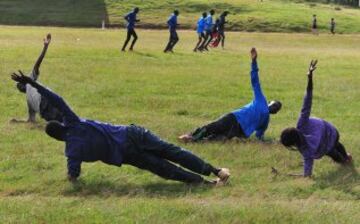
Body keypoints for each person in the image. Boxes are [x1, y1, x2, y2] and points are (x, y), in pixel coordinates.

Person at [11, 72, 230, 186]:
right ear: (60, 124)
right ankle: (216, 170)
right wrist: (33, 83)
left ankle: (207, 184)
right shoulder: (73, 121)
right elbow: (56, 98)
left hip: (126, 154)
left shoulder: (72, 152)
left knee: (165, 169)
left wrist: (71, 178)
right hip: (131, 133)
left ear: (57, 139)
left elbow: (73, 175)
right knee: (173, 151)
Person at [179, 48, 282, 142]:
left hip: (239, 130)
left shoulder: (265, 121)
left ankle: (197, 141)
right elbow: (255, 80)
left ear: (275, 112)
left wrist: (270, 142)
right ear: (269, 102)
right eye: (274, 104)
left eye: (276, 108)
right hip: (235, 117)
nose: (274, 107)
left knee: (218, 138)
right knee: (213, 127)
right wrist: (254, 62)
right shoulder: (261, 99)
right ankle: (191, 136)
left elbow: (259, 136)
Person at [280, 60, 352, 177]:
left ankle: (344, 160)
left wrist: (292, 175)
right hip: (332, 132)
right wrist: (310, 78)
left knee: (333, 152)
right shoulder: (301, 124)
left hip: (326, 146)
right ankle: (346, 158)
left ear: (293, 144)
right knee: (336, 145)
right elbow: (307, 101)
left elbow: (307, 171)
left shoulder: (305, 150)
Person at [12, 33, 63, 123]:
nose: (20, 87)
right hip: (45, 109)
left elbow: (37, 65)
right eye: (19, 87)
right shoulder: (29, 99)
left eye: (19, 85)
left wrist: (45, 47)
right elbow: (31, 120)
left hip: (47, 101)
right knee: (60, 121)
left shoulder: (30, 80)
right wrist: (18, 121)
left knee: (63, 119)